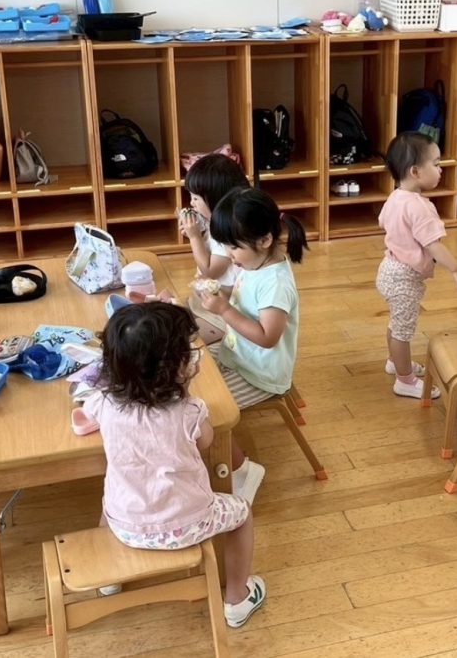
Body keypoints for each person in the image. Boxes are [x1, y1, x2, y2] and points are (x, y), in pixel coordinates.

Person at [82, 302, 265, 628]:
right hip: (188, 522)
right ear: (177, 369)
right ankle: (238, 597)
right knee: (242, 514)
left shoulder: (104, 403)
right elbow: (206, 442)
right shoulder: (190, 411)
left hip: (124, 522)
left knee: (109, 498)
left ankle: (109, 579)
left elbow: (87, 411)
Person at [196, 187, 307, 503]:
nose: (229, 254)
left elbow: (267, 338)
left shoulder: (275, 283)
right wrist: (220, 295)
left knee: (205, 414)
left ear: (265, 240)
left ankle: (244, 470)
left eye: (234, 247)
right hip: (237, 355)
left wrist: (223, 310)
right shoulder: (254, 264)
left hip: (260, 374)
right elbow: (244, 300)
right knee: (191, 365)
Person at [376, 132, 457, 399]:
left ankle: (395, 362)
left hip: (389, 269)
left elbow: (383, 221)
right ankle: (405, 380)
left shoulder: (395, 196)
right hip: (403, 278)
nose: (441, 170)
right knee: (403, 330)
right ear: (416, 171)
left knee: (397, 323)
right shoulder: (419, 207)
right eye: (437, 164)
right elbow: (433, 245)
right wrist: (456, 268)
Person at [178, 154, 250, 327]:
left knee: (185, 319)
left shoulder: (226, 230)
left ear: (216, 199)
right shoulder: (223, 219)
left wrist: (195, 237)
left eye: (196, 198)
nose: (192, 203)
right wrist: (198, 233)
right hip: (223, 292)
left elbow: (210, 271)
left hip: (230, 301)